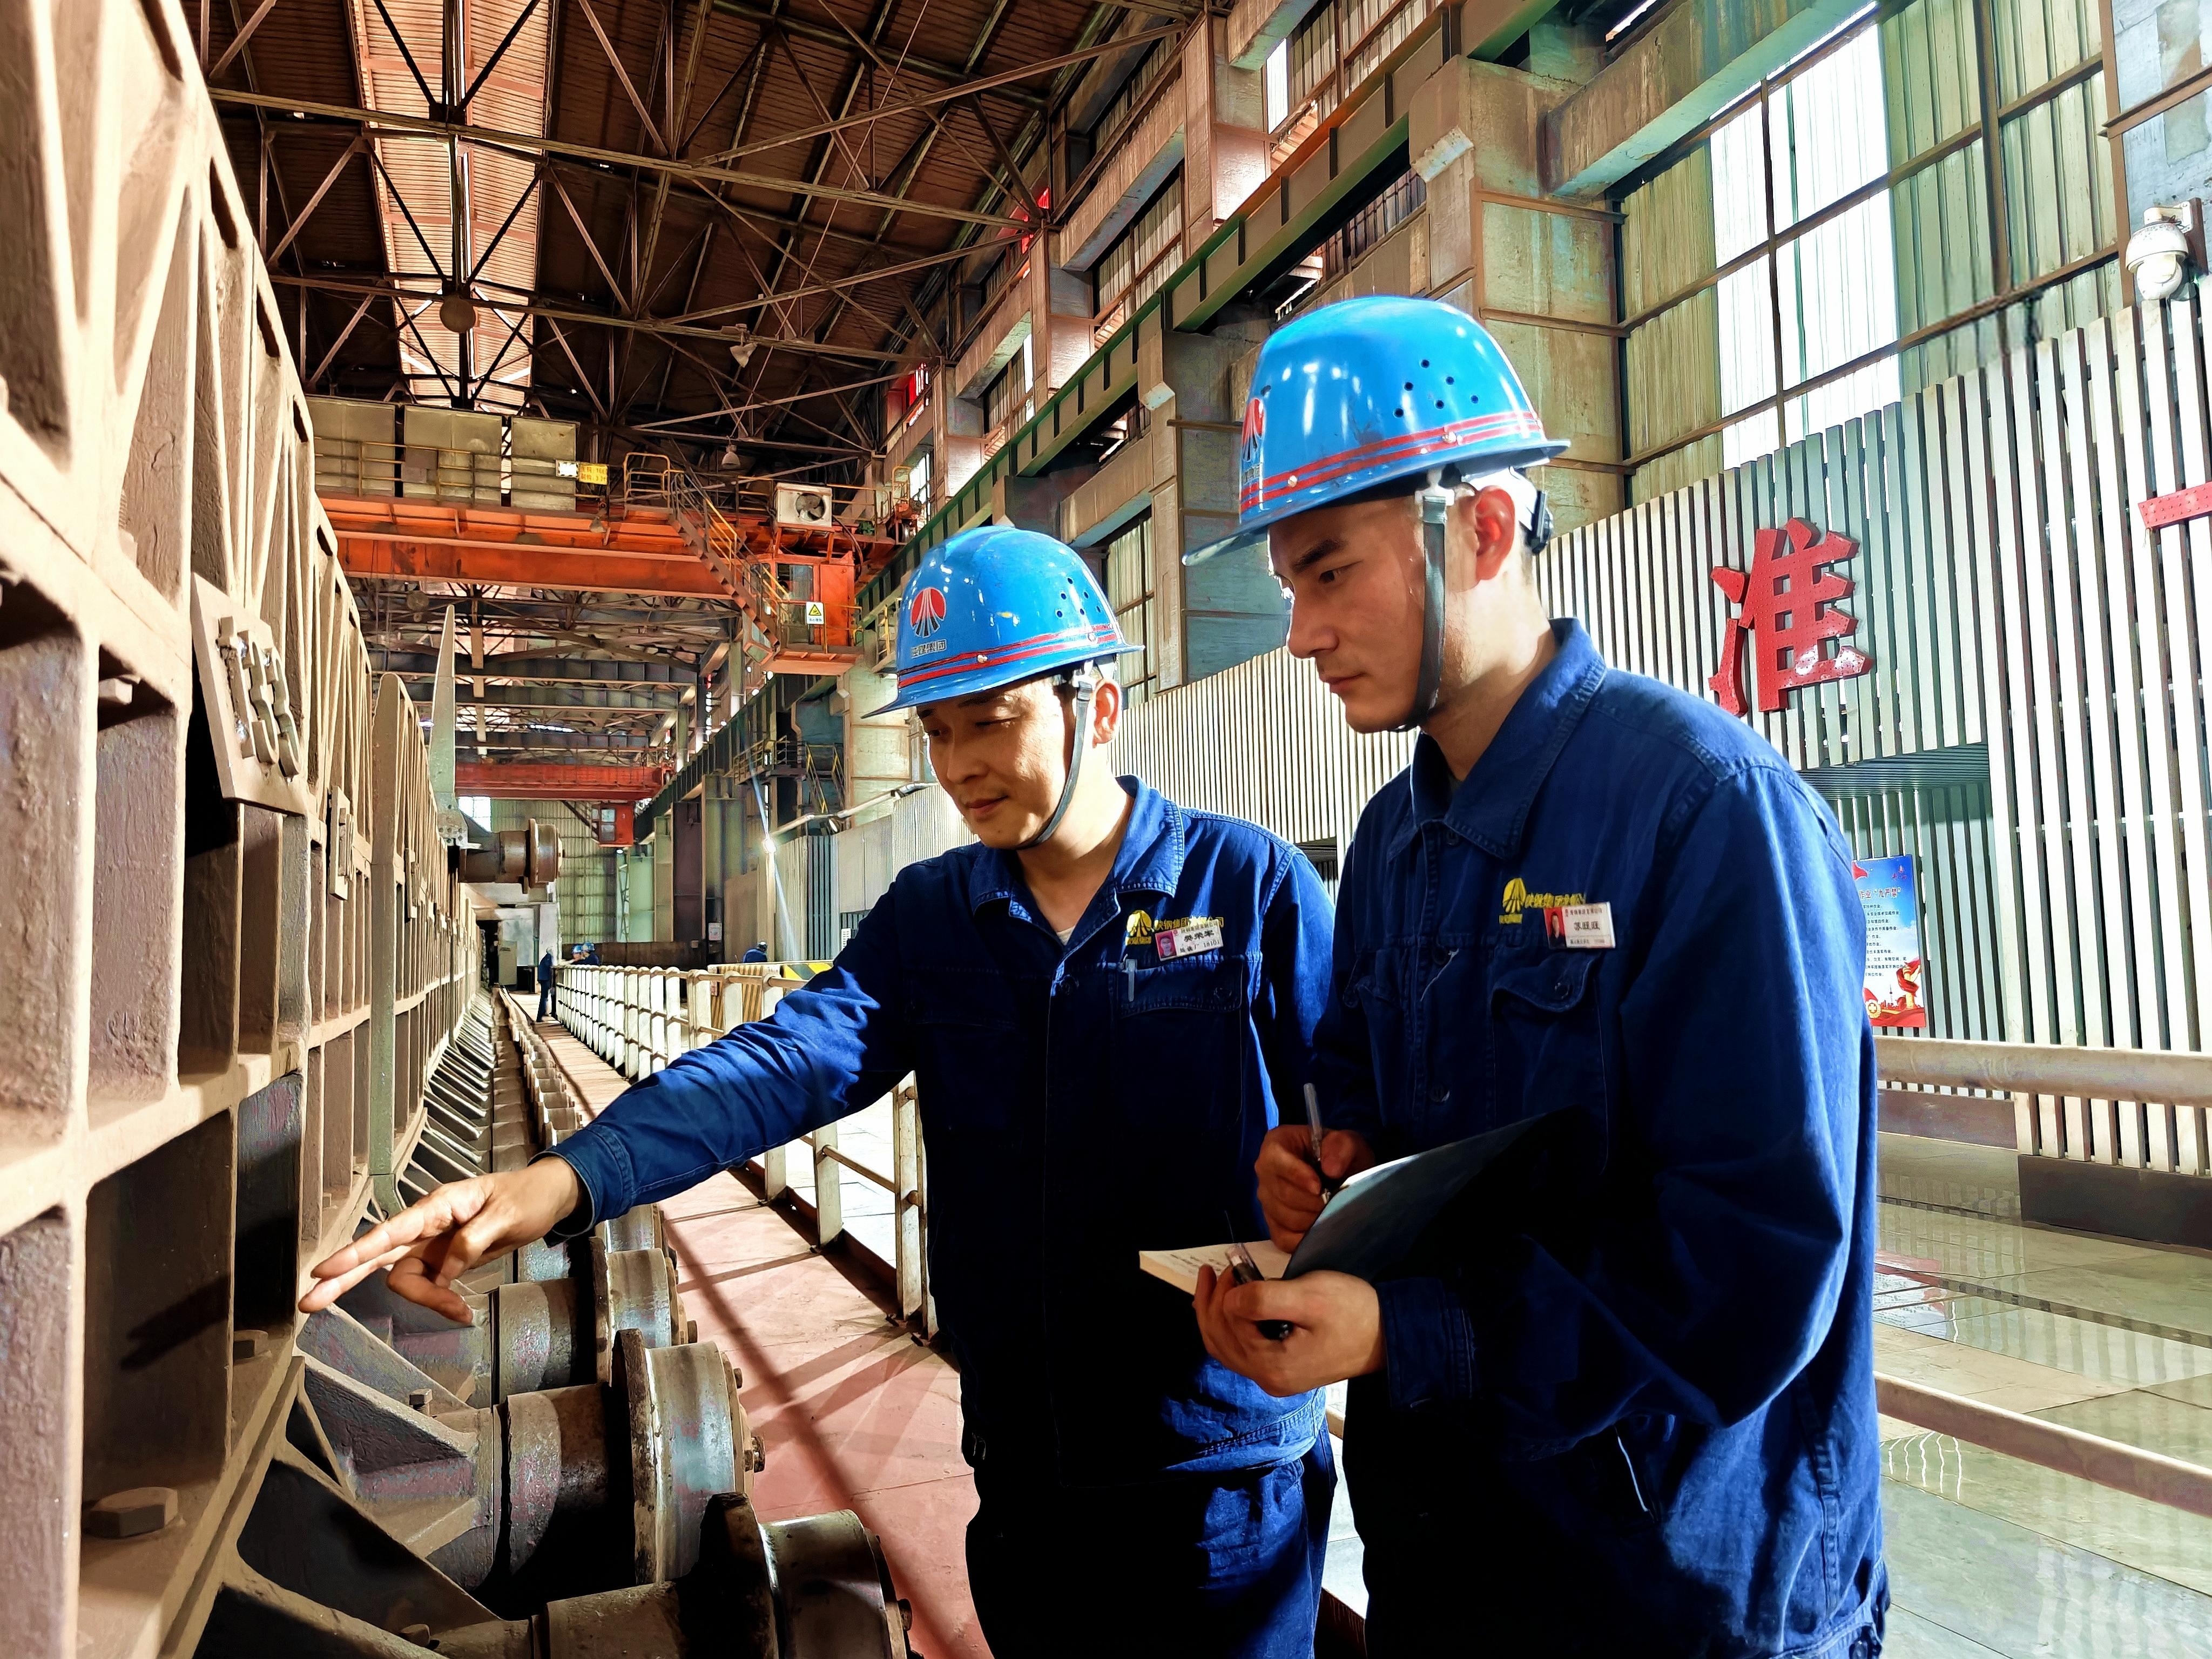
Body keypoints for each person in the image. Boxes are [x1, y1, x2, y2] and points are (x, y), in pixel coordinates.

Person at [302, 527, 1340, 1659]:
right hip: (1023, 1485)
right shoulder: (936, 919)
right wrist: (558, 1183)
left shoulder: (1249, 888)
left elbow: (1361, 1142)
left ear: (1096, 706)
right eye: (937, 730)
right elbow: (784, 1062)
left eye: (990, 719)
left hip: (1217, 1483)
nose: (957, 766)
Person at [1189, 296, 1885, 1657]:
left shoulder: (1702, 810)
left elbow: (1753, 1261)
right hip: (1456, 1567)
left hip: (1672, 1593)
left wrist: (1411, 1333)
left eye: (1330, 571)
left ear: (1483, 527)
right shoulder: (1394, 842)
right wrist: (1331, 1168)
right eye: (1290, 586)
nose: (1300, 633)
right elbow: (1381, 1107)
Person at [534, 947, 555, 1022]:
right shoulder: (549, 957)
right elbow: (551, 968)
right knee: (544, 997)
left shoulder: (545, 958)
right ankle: (540, 1016)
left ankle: (543, 1013)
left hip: (543, 979)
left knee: (544, 997)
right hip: (546, 979)